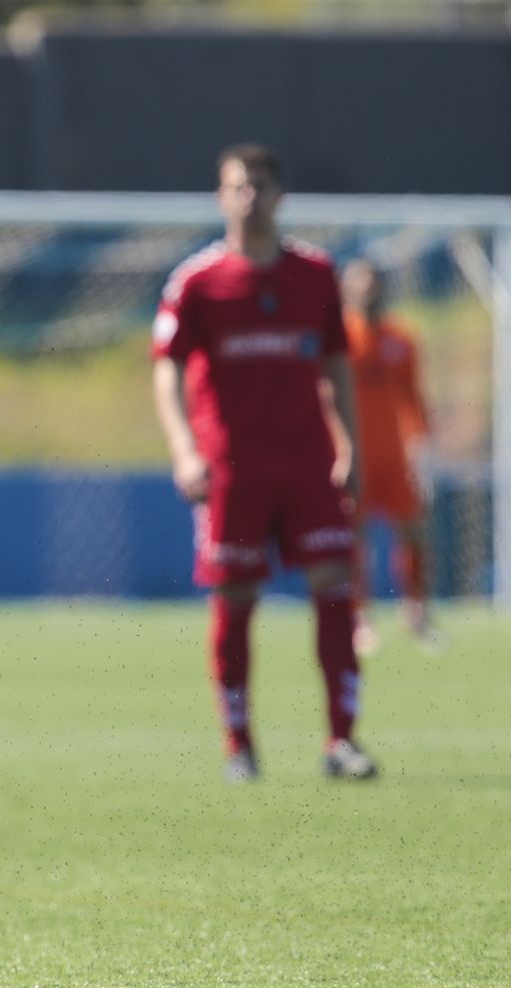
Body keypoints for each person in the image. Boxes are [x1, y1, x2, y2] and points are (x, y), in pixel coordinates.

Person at [151, 142, 377, 782]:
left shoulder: (315, 275)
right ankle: (239, 745)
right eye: (236, 187)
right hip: (233, 471)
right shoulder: (196, 282)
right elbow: (166, 372)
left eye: (258, 187)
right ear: (221, 197)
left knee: (335, 589)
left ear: (280, 196)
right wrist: (184, 448)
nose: (248, 198)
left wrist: (350, 444)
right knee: (237, 596)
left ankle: (342, 741)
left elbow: (335, 364)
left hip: (307, 464)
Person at [339, 258, 438, 653]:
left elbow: (414, 399)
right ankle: (358, 617)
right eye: (361, 282)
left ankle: (415, 612)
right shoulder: (337, 338)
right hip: (350, 456)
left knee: (413, 530)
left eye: (375, 281)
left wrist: (423, 451)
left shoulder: (401, 339)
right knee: (353, 537)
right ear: (347, 288)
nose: (369, 289)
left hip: (394, 457)